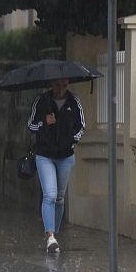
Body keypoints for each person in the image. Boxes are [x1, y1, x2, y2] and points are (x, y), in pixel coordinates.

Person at [27, 78, 86, 253]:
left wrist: (71, 140)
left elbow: (82, 126)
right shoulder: (42, 101)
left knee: (60, 197)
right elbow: (30, 125)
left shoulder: (74, 102)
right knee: (50, 195)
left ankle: (55, 235)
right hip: (45, 155)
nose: (61, 89)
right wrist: (45, 123)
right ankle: (50, 236)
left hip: (66, 156)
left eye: (64, 86)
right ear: (51, 85)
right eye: (58, 85)